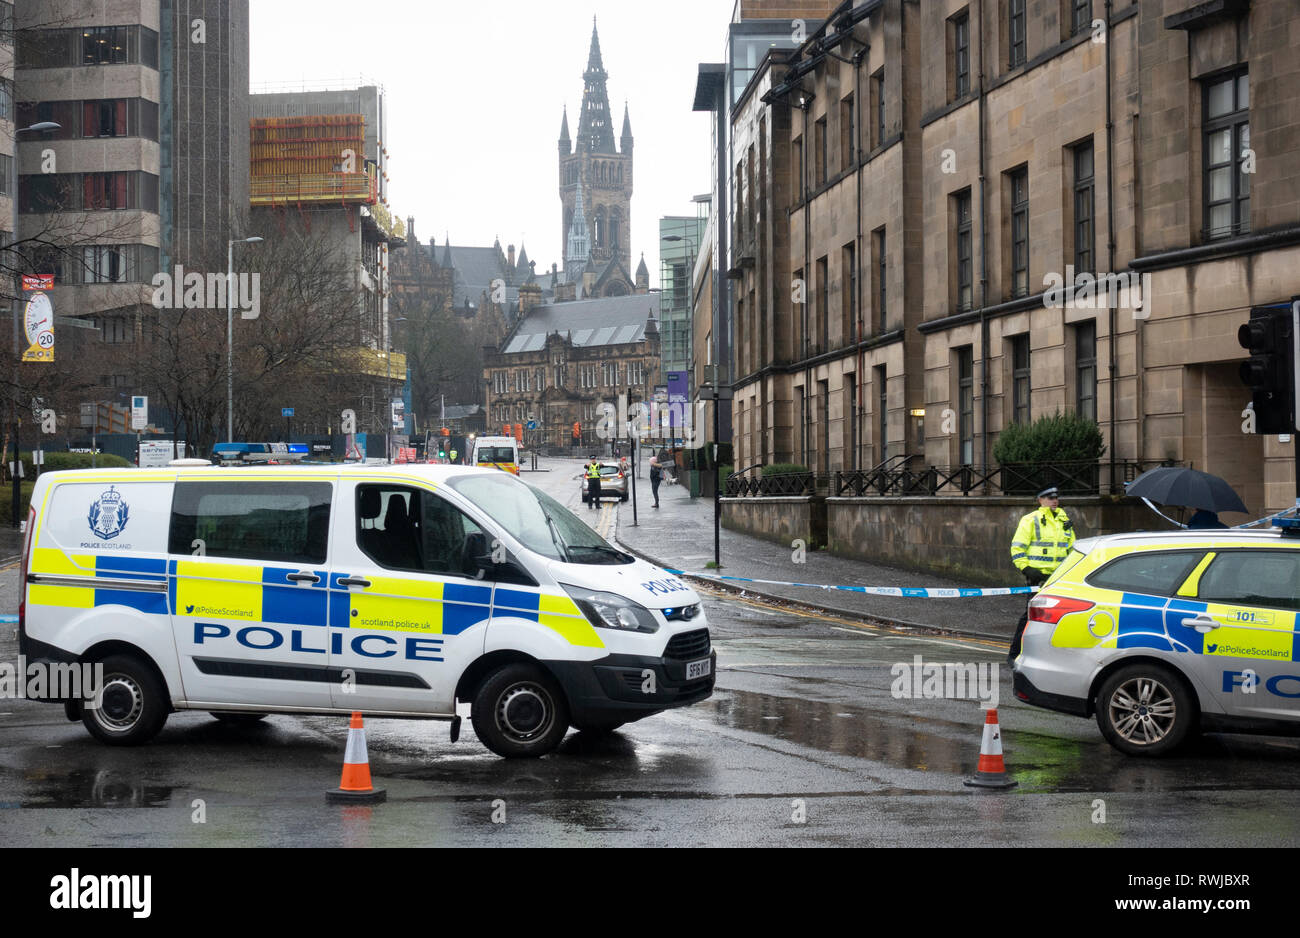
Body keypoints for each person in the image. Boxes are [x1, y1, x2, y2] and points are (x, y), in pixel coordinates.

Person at [1008, 486, 1076, 664]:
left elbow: (1072, 550)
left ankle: (1052, 656)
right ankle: (1015, 654)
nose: (1054, 501)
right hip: (1037, 578)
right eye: (1049, 498)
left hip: (1059, 578)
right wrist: (1027, 569)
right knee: (1030, 617)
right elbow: (1017, 548)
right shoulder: (1030, 520)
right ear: (1040, 500)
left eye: (1056, 498)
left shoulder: (1064, 520)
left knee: (1060, 617)